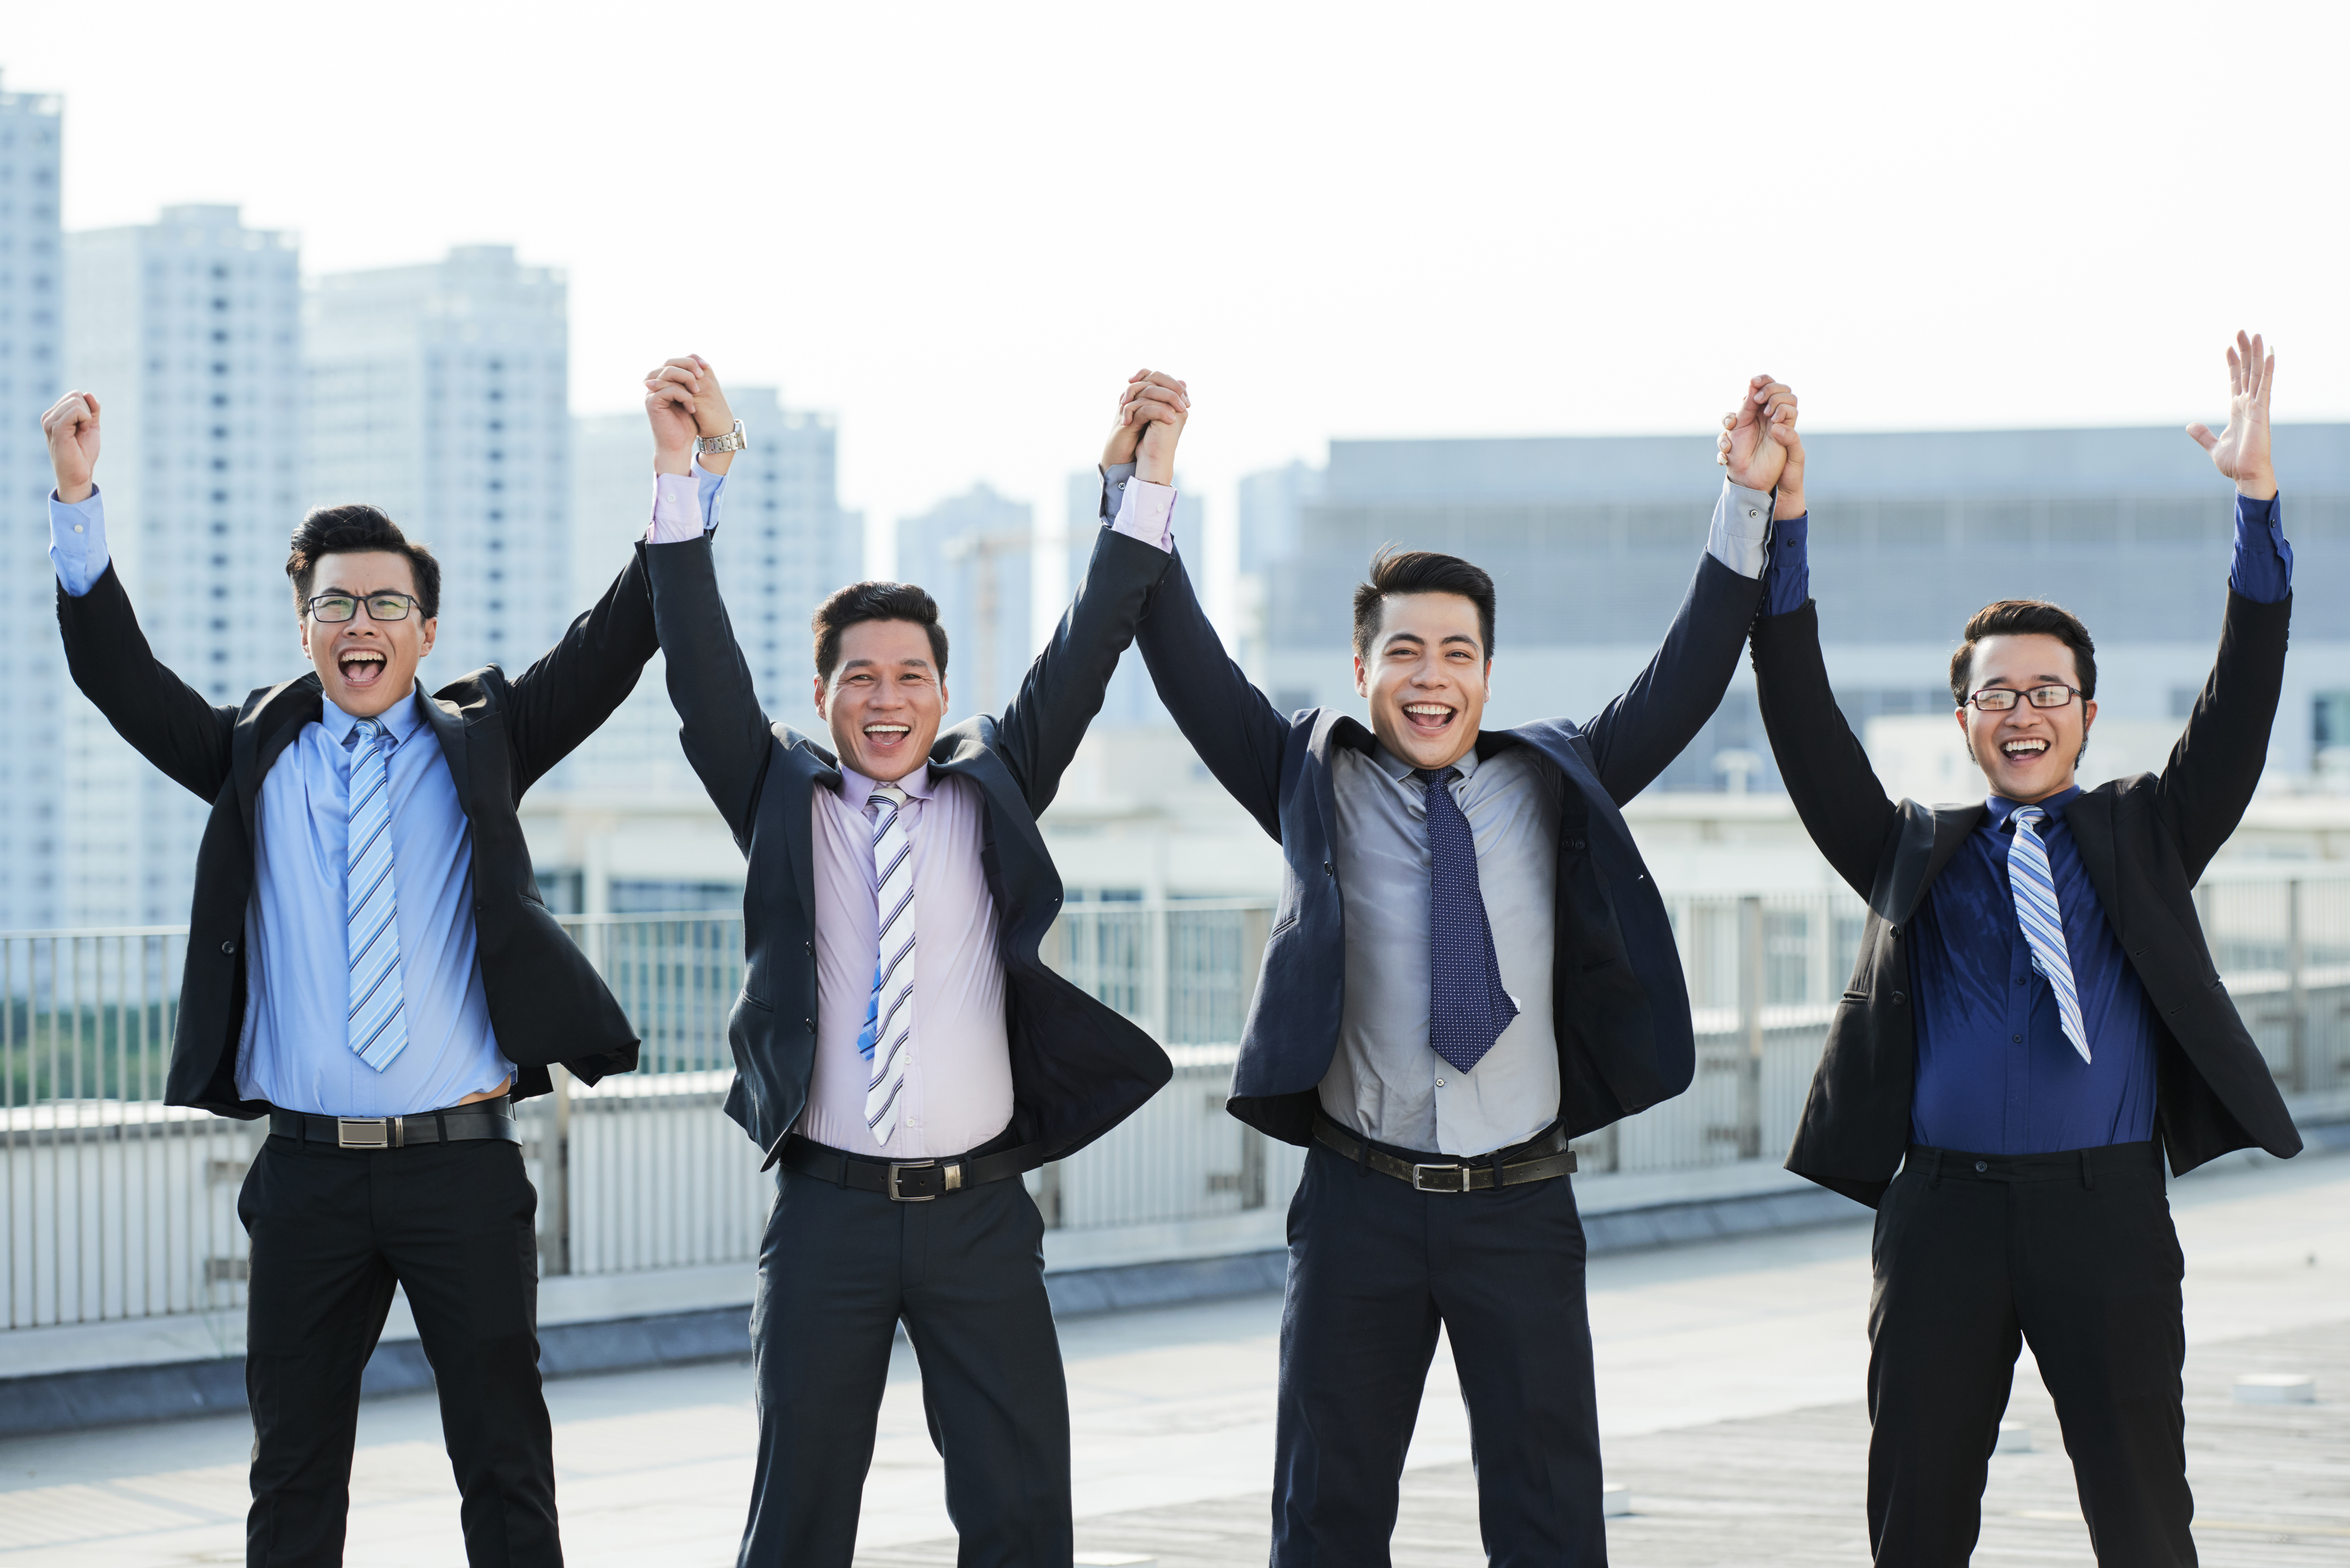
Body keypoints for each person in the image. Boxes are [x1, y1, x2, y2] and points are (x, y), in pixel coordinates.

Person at [38, 362, 716, 1567]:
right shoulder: (253, 755)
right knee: (293, 1474)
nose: (362, 625)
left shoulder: (486, 741)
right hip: (305, 1179)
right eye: (337, 605)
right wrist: (78, 499)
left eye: (388, 605)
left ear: (428, 630)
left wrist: (680, 479)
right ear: (302, 625)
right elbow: (115, 677)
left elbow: (616, 644)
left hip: (462, 1171)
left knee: (506, 1465)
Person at [1132, 374, 1805, 1563]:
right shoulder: (1312, 782)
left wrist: (1742, 503)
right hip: (1356, 1209)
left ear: (1488, 674)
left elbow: (1692, 672)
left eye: (1457, 653)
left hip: (1520, 1206)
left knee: (1549, 1521)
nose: (1431, 675)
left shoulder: (1553, 780)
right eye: (1405, 652)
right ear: (1362, 669)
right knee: (1326, 1516)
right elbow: (1186, 666)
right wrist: (1142, 487)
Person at [1744, 332, 2302, 1566]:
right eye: (1997, 694)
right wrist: (1781, 525)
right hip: (1938, 1215)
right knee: (1916, 1525)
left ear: (2087, 717)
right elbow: (1801, 724)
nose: (2023, 712)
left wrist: (2255, 507)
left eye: (2048, 691)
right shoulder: (1913, 853)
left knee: (2145, 1521)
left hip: (2104, 1213)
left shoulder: (2146, 833)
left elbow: (2243, 702)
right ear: (1962, 721)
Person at [642, 361, 1191, 1567]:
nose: (886, 702)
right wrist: (681, 479)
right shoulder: (780, 796)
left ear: (945, 691)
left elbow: (1089, 645)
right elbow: (695, 667)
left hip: (980, 1218)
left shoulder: (992, 785)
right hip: (827, 1214)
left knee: (1017, 1512)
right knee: (795, 1522)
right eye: (860, 679)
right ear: (823, 694)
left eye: (910, 678)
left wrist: (1137, 485)